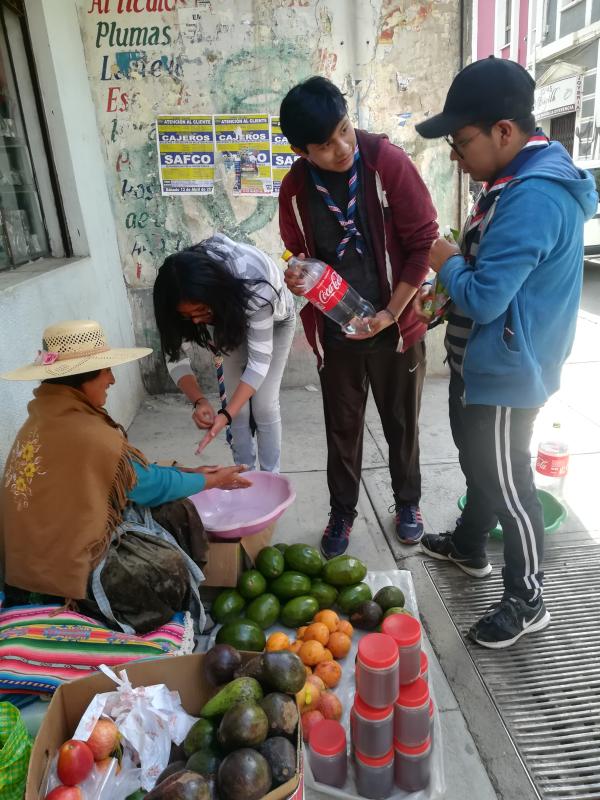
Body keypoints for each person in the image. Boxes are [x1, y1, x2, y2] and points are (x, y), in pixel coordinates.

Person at [414, 56, 598, 648]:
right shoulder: (508, 183)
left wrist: (446, 260)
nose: (453, 155)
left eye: (460, 141)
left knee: (511, 483)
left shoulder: (535, 196)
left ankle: (529, 598)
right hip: (483, 361)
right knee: (480, 465)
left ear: (503, 131)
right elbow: (489, 275)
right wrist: (443, 293)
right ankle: (470, 547)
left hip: (507, 371)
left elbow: (489, 296)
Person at [0, 320, 251, 634]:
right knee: (162, 568)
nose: (112, 379)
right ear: (82, 380)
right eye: (105, 371)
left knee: (173, 507)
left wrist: (189, 473)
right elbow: (145, 486)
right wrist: (212, 480)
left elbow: (132, 475)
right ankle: (121, 619)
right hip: (56, 569)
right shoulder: (86, 432)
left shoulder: (50, 414)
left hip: (42, 546)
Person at [278, 76, 438, 558]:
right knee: (342, 428)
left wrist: (392, 313)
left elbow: (424, 241)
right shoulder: (294, 190)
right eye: (324, 146)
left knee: (402, 423)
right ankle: (342, 511)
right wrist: (297, 275)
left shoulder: (385, 163)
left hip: (396, 327)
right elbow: (298, 252)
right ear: (303, 150)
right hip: (338, 332)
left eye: (345, 131)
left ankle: (407, 503)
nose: (341, 147)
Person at [153, 233, 296, 473]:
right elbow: (175, 355)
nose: (197, 320)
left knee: (264, 406)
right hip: (228, 318)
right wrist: (199, 401)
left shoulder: (253, 281)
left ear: (213, 293)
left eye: (200, 310)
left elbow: (259, 362)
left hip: (275, 321)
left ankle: (271, 477)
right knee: (236, 407)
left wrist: (224, 416)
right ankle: (243, 475)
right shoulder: (177, 288)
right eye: (188, 316)